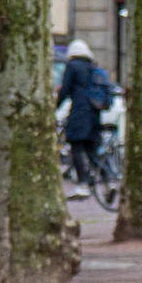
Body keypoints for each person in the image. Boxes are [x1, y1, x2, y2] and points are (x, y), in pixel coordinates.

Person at [57, 39, 101, 199]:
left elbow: (65, 89)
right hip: (94, 112)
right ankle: (106, 180)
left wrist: (55, 106)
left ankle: (83, 183)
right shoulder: (93, 65)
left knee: (75, 144)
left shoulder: (73, 65)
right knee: (91, 148)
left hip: (79, 111)